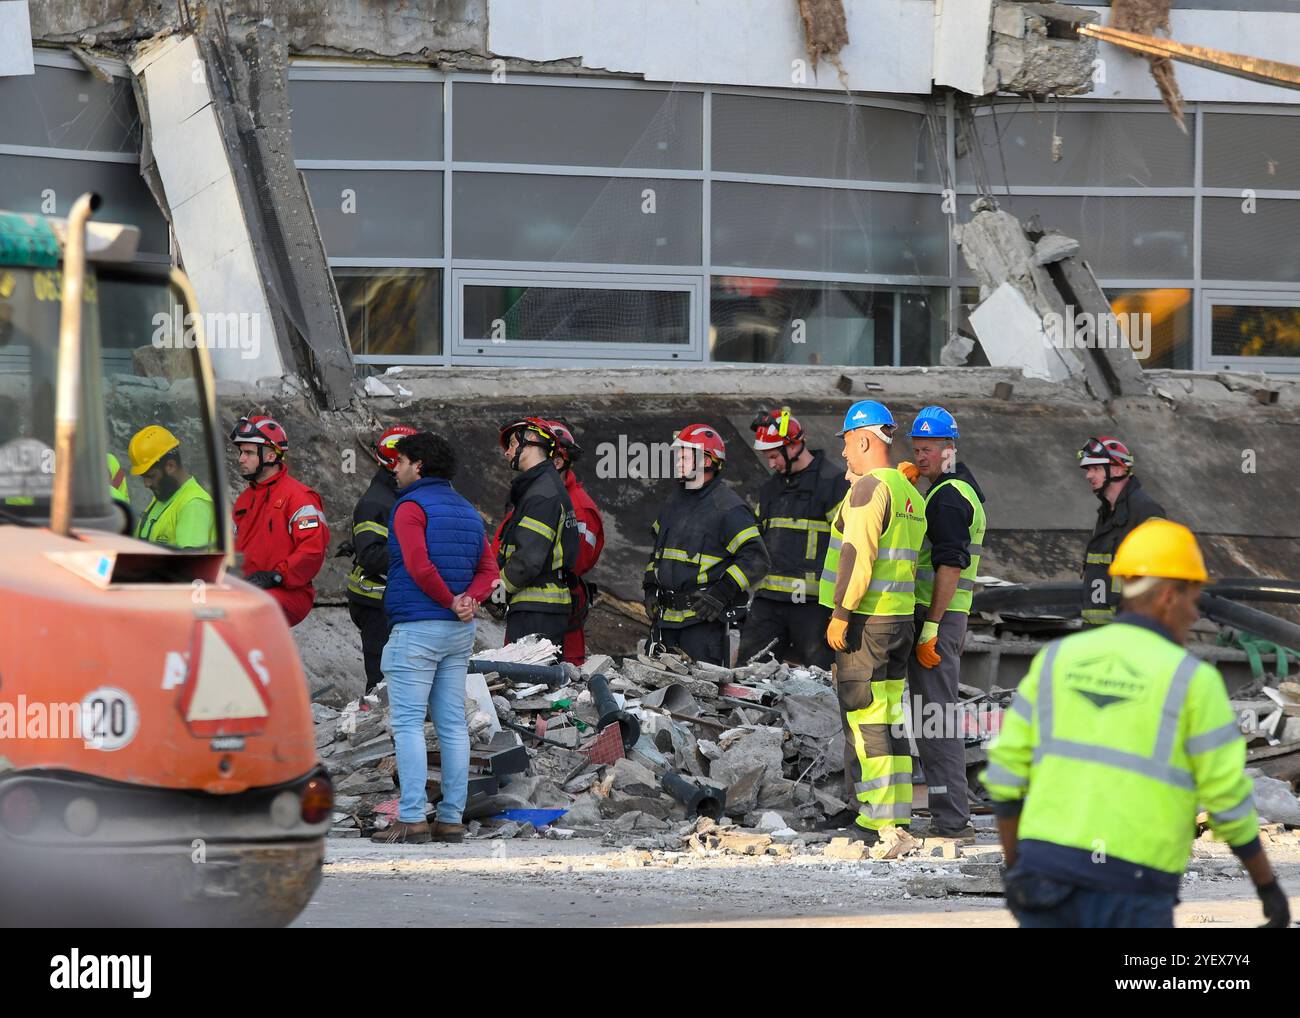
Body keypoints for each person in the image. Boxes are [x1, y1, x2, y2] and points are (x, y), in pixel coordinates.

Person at [985, 519, 1291, 929]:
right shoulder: (1192, 681)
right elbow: (1227, 799)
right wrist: (1266, 886)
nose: (1195, 611)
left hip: (1046, 874)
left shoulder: (1057, 659)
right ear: (1168, 596)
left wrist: (1017, 869)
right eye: (1193, 598)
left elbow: (1005, 776)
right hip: (1132, 888)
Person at [373, 432, 498, 845]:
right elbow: (489, 569)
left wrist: (450, 600)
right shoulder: (466, 510)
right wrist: (468, 601)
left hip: (418, 626)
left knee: (408, 723)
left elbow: (417, 565)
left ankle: (411, 817)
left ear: (419, 466)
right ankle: (451, 819)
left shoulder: (409, 507)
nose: (395, 467)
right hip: (458, 632)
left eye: (401, 460)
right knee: (451, 725)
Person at [821, 400, 927, 843]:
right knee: (886, 718)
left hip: (865, 621)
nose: (845, 454)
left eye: (847, 443)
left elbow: (856, 558)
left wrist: (841, 613)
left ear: (863, 439)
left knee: (864, 720)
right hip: (898, 622)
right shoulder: (907, 489)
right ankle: (895, 815)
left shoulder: (869, 490)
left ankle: (876, 820)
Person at [907, 406, 987, 840]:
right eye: (917, 449)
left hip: (937, 616)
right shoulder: (957, 489)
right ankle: (947, 815)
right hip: (941, 615)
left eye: (929, 449)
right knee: (930, 716)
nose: (921, 457)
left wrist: (932, 625)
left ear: (949, 448)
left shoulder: (949, 496)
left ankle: (952, 820)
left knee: (934, 718)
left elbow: (949, 566)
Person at [643, 423, 770, 666]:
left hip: (702, 625)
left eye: (684, 455)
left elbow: (756, 559)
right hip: (665, 622)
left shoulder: (727, 507)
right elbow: (657, 552)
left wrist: (721, 594)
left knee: (701, 698)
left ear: (708, 460)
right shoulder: (674, 501)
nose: (678, 461)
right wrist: (650, 587)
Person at [739, 407, 848, 669]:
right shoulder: (770, 488)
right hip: (768, 604)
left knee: (820, 678)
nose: (772, 463)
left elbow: (849, 544)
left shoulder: (832, 483)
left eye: (775, 455)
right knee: (749, 674)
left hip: (813, 607)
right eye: (768, 457)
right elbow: (756, 541)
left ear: (795, 446)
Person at [230, 413, 329, 627]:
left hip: (287, 590)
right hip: (248, 588)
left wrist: (275, 576)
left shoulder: (299, 498)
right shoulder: (245, 499)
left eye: (248, 452)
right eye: (240, 452)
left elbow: (312, 551)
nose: (241, 459)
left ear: (270, 456)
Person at [346, 424, 417, 693]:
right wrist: (418, 554)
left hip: (389, 600)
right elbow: (371, 554)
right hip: (376, 603)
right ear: (396, 462)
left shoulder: (396, 496)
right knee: (381, 683)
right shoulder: (376, 502)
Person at [496, 417, 578, 646]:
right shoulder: (542, 486)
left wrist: (497, 593)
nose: (507, 452)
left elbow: (528, 560)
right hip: (540, 607)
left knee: (526, 679)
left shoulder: (541, 493)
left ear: (531, 440)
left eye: (512, 444)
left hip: (536, 608)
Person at [1077, 435, 1165, 625]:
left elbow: (1158, 577)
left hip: (1128, 630)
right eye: (1088, 469)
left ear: (1118, 469)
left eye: (1096, 468)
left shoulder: (1146, 511)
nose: (1088, 475)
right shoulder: (1107, 513)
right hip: (1097, 630)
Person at [548, 419, 604, 665]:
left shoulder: (579, 509)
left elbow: (577, 561)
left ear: (558, 461)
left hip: (560, 612)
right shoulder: (528, 498)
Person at [127, 424, 217, 550]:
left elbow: (190, 565)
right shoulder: (165, 495)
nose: (146, 484)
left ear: (170, 466)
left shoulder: (193, 505)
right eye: (143, 477)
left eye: (151, 476)